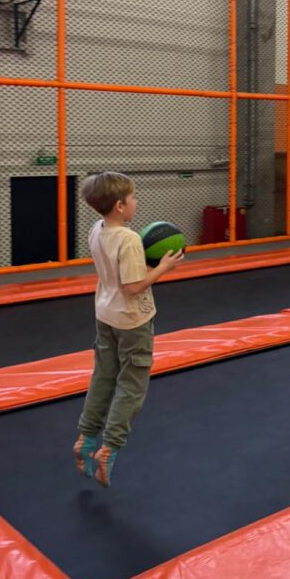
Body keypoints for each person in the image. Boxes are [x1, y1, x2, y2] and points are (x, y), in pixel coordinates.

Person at [73, 172, 183, 487]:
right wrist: (163, 268)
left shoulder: (97, 230)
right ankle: (110, 447)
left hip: (106, 314)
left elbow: (118, 271)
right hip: (133, 321)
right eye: (133, 198)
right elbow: (133, 286)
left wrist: (146, 265)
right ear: (120, 206)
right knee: (132, 385)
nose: (137, 202)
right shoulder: (130, 238)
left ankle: (86, 437)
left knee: (104, 376)